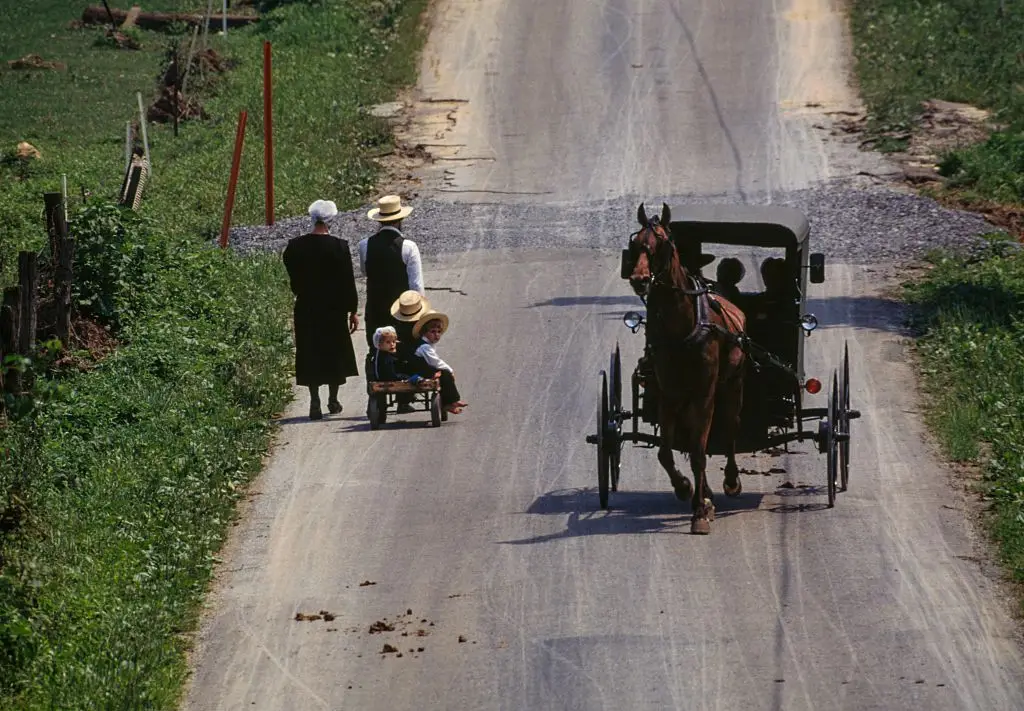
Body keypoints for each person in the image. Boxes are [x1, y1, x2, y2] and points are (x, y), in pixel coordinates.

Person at [282, 199, 360, 420]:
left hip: (306, 306)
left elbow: (292, 273)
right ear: (330, 220)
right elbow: (348, 281)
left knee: (310, 351)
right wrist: (352, 310)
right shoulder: (340, 247)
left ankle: (314, 399)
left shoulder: (294, 246)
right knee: (334, 351)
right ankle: (332, 399)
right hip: (333, 309)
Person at [357, 195, 424, 350]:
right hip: (402, 311)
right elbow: (416, 285)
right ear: (400, 220)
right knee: (404, 351)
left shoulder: (365, 245)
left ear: (379, 220)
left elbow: (365, 272)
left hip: (375, 309)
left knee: (377, 352)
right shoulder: (409, 247)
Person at [409, 310, 467, 414]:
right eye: (433, 332)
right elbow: (435, 362)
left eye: (439, 332)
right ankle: (452, 401)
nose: (436, 335)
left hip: (423, 369)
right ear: (424, 333)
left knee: (444, 375)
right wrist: (450, 370)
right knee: (446, 373)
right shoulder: (424, 346)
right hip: (418, 371)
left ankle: (449, 403)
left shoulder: (427, 345)